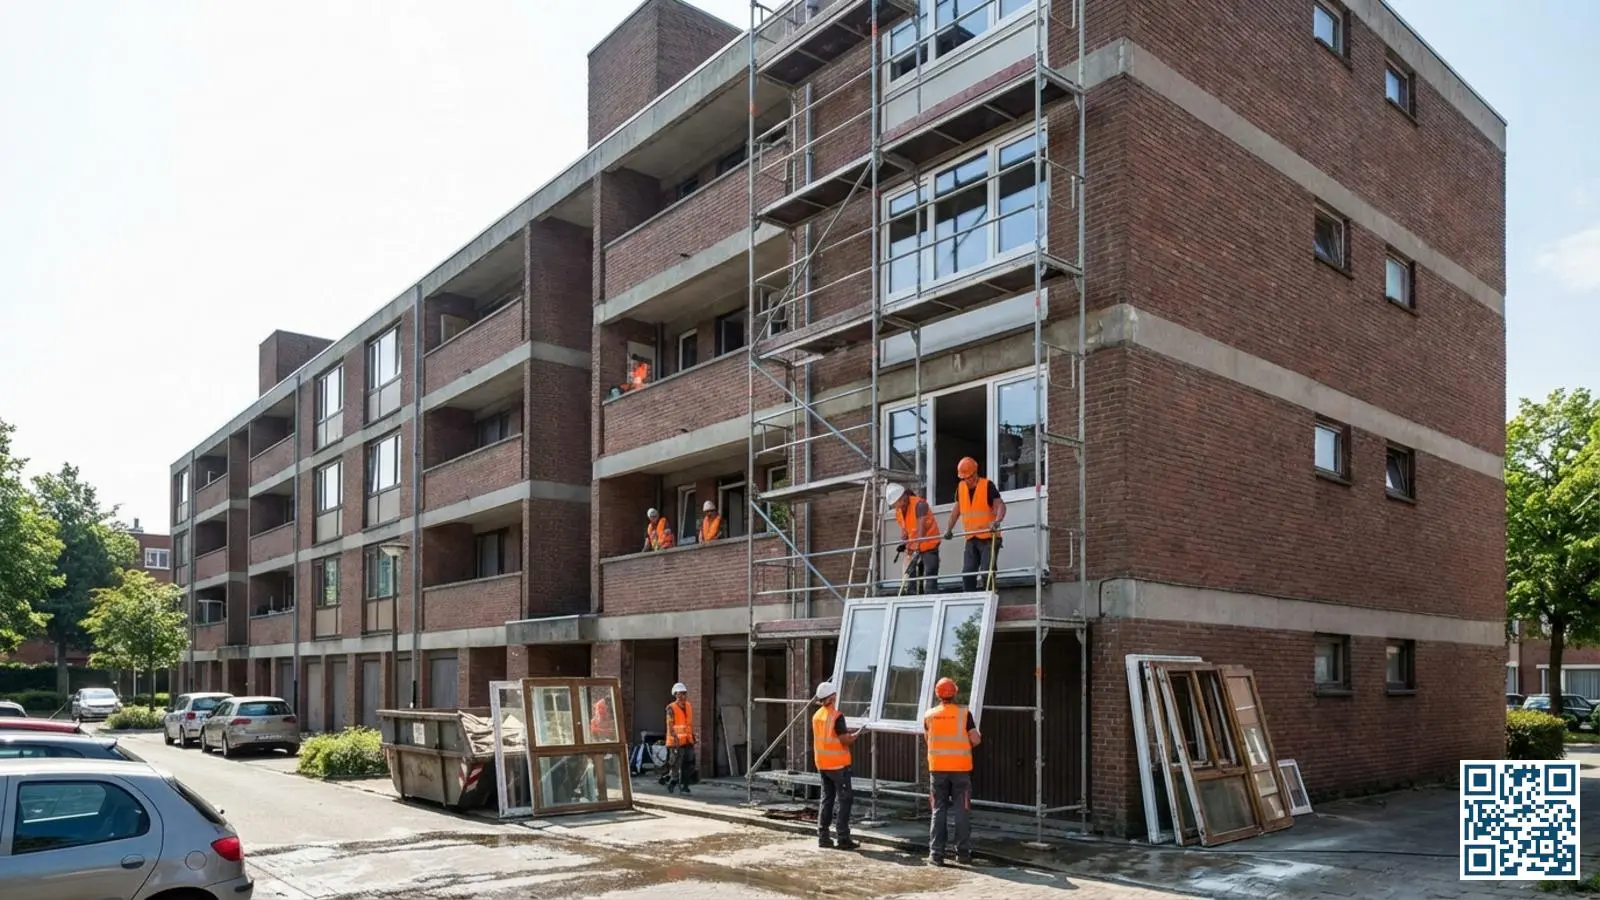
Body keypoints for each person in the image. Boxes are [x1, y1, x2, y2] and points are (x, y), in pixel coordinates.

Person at [922, 676, 981, 866]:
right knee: (962, 810)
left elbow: (928, 739)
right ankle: (963, 854)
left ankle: (936, 854)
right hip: (961, 770)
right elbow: (975, 740)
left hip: (937, 770)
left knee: (938, 810)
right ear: (955, 692)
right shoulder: (964, 714)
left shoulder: (929, 715)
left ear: (937, 694)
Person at [942, 456, 1006, 592]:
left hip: (989, 537)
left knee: (987, 572)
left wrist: (997, 521)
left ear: (975, 472)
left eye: (970, 476)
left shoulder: (987, 486)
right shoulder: (961, 488)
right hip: (971, 537)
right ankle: (968, 599)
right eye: (965, 478)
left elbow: (1000, 505)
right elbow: (956, 511)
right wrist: (949, 529)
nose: (968, 480)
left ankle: (990, 596)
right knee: (967, 573)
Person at [811, 681, 862, 850]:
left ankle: (823, 837)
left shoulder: (817, 716)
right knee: (845, 800)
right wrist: (855, 735)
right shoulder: (837, 716)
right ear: (832, 697)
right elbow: (844, 740)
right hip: (838, 765)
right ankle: (843, 838)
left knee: (827, 799)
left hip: (822, 764)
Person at [887, 483, 941, 594]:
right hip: (913, 546)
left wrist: (916, 546)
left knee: (930, 572)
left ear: (904, 497)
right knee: (910, 574)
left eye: (898, 503)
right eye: (895, 505)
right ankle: (911, 595)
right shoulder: (899, 510)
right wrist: (904, 540)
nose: (897, 507)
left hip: (928, 544)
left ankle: (930, 595)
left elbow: (921, 529)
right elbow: (905, 527)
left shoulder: (919, 505)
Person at [664, 682, 696, 794]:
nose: (682, 696)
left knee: (689, 763)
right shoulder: (671, 708)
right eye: (680, 693)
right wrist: (675, 738)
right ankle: (673, 782)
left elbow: (689, 724)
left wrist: (692, 736)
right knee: (675, 764)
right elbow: (670, 725)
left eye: (684, 693)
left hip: (688, 740)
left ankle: (685, 785)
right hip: (676, 742)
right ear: (675, 695)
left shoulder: (689, 706)